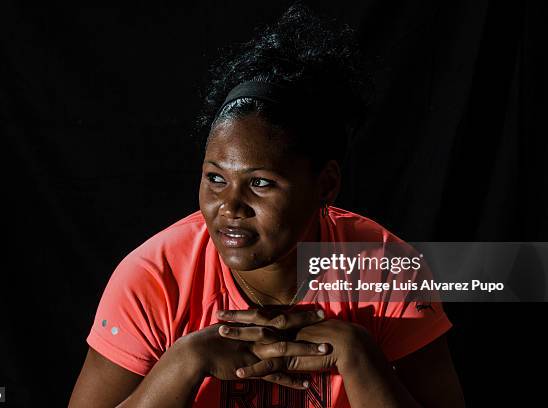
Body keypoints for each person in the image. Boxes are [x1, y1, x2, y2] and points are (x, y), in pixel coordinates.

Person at [69, 4, 464, 407]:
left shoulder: (387, 270)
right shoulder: (154, 276)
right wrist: (184, 363)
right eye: (216, 179)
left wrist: (358, 356)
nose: (230, 206)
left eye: (260, 183)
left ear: (325, 185)